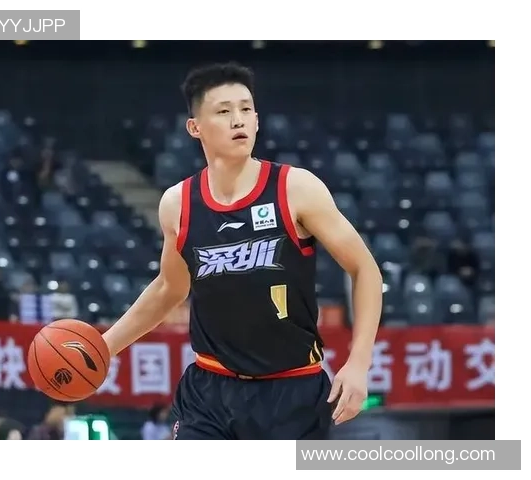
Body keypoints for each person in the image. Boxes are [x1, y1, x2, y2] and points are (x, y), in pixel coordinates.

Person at [102, 62, 383, 440]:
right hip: (209, 392)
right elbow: (170, 288)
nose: (239, 120)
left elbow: (365, 269)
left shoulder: (295, 188)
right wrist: (104, 348)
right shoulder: (178, 204)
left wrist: (359, 362)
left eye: (246, 109)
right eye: (223, 111)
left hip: (292, 391)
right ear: (195, 127)